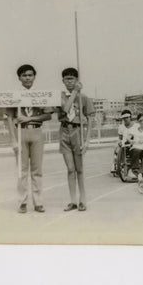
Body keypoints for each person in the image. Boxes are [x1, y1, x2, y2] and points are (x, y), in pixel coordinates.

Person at [5, 64, 52, 214]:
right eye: (24, 75)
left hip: (36, 131)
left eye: (30, 75)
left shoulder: (40, 95)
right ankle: (22, 202)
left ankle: (38, 202)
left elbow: (48, 115)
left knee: (37, 170)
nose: (27, 78)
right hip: (21, 133)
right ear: (19, 78)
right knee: (22, 170)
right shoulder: (14, 95)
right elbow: (9, 119)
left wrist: (28, 118)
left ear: (34, 77)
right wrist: (13, 140)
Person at [58, 67, 95, 212]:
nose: (69, 81)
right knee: (70, 169)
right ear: (63, 81)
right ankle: (72, 200)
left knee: (79, 169)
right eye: (67, 79)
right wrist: (74, 92)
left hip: (78, 131)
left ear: (77, 80)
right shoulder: (60, 96)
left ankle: (82, 200)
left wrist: (87, 140)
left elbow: (91, 118)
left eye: (72, 78)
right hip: (64, 131)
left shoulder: (84, 98)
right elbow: (66, 110)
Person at [111, 110, 136, 176]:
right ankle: (116, 164)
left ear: (130, 117)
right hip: (124, 143)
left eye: (127, 117)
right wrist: (119, 142)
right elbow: (120, 138)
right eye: (124, 118)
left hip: (134, 143)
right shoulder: (121, 127)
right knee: (116, 147)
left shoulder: (136, 126)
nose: (125, 119)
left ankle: (133, 168)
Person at [127, 114, 143, 178]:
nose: (142, 122)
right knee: (136, 150)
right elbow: (128, 137)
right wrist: (130, 140)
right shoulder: (134, 129)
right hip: (135, 148)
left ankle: (142, 170)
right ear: (138, 121)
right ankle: (135, 170)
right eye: (140, 121)